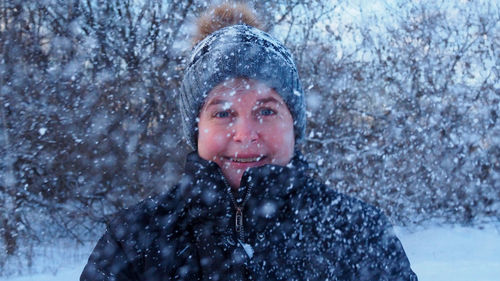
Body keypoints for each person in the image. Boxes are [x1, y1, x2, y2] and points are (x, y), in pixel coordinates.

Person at [80, 3, 417, 281]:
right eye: (223, 113)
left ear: (293, 125)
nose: (245, 134)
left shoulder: (358, 233)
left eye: (266, 111)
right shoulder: (134, 241)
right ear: (196, 129)